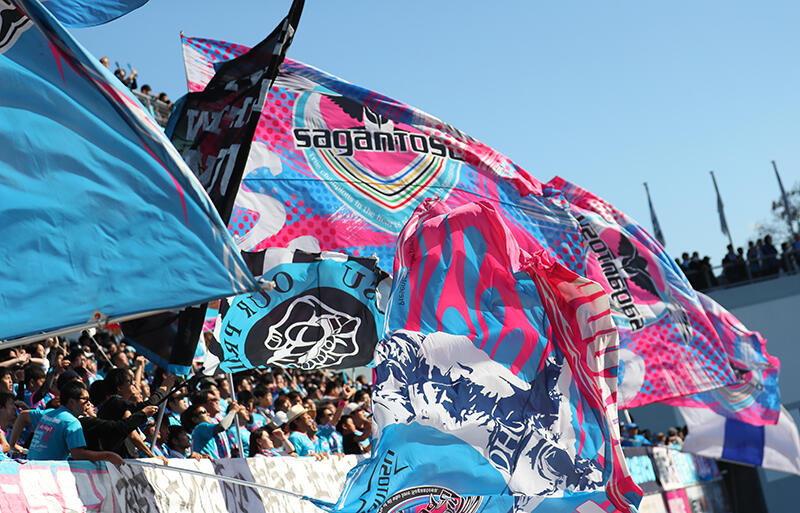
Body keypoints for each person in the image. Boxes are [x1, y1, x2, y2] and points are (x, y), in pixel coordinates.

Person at [14, 381, 122, 465]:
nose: (88, 403)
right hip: (47, 474)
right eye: (85, 399)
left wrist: (13, 444)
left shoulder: (48, 413)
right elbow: (78, 454)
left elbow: (23, 415)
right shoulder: (72, 423)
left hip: (30, 469)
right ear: (71, 401)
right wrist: (107, 456)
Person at [182, 402, 246, 458]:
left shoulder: (200, 431)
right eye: (204, 412)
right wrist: (233, 411)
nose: (208, 414)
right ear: (195, 419)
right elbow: (222, 426)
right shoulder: (201, 427)